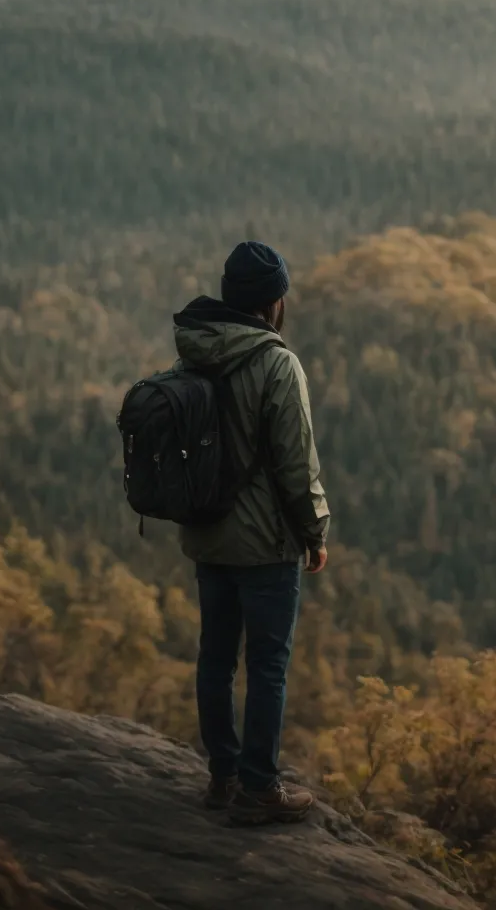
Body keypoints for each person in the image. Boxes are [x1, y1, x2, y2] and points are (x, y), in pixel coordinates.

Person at [171, 240, 331, 825]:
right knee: (267, 664)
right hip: (265, 543)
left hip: (208, 533)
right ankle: (259, 787)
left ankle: (223, 776)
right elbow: (295, 462)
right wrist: (314, 530)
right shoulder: (276, 362)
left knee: (215, 656)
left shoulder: (195, 350)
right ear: (274, 302)